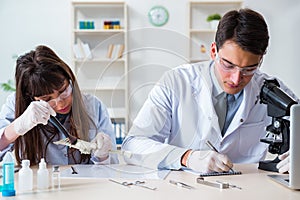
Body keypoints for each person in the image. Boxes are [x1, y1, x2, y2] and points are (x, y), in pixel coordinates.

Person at [122, 8, 297, 173]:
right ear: (213, 51)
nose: (236, 79)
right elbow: (132, 145)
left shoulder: (272, 90)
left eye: (249, 69)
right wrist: (186, 157)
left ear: (260, 61)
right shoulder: (176, 82)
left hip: (246, 189)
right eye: (228, 65)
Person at [0, 45, 117, 166]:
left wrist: (102, 156)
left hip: (83, 183)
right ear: (30, 97)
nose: (60, 104)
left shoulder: (93, 106)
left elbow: (112, 166)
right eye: (46, 99)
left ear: (69, 79)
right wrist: (18, 127)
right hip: (37, 183)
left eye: (63, 91)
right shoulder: (15, 104)